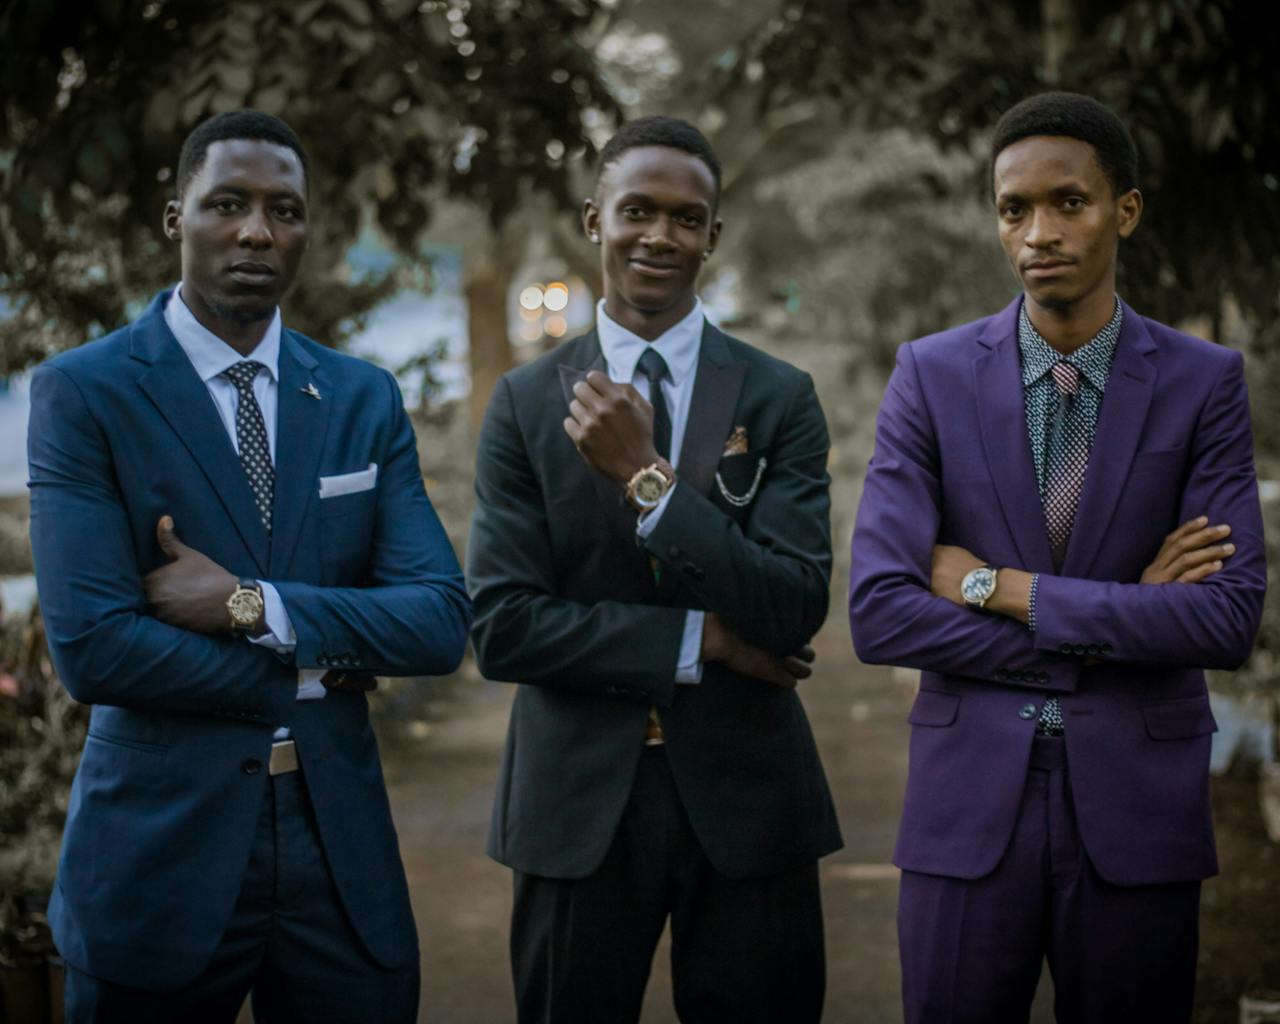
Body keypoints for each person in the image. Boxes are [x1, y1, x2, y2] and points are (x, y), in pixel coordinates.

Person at [27, 109, 472, 1023]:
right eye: (227, 203)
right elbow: (94, 649)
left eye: (284, 209)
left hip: (340, 860)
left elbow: (436, 620)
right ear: (173, 218)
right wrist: (321, 666)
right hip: (158, 858)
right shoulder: (86, 392)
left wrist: (250, 605)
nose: (257, 230)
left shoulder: (360, 396)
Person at [848, 91, 1266, 1023]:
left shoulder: (1203, 385)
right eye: (1014, 209)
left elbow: (1226, 617)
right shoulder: (931, 375)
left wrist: (999, 587)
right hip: (967, 810)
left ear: (1125, 210)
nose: (1039, 231)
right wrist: (1120, 616)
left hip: (1137, 811)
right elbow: (879, 611)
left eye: (1067, 203)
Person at [467, 116, 842, 1023]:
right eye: (637, 210)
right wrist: (705, 639)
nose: (660, 236)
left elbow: (793, 606)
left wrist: (651, 483)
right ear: (594, 219)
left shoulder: (778, 396)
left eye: (686, 218)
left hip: (749, 799)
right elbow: (504, 626)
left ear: (713, 234)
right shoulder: (521, 405)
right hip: (574, 807)